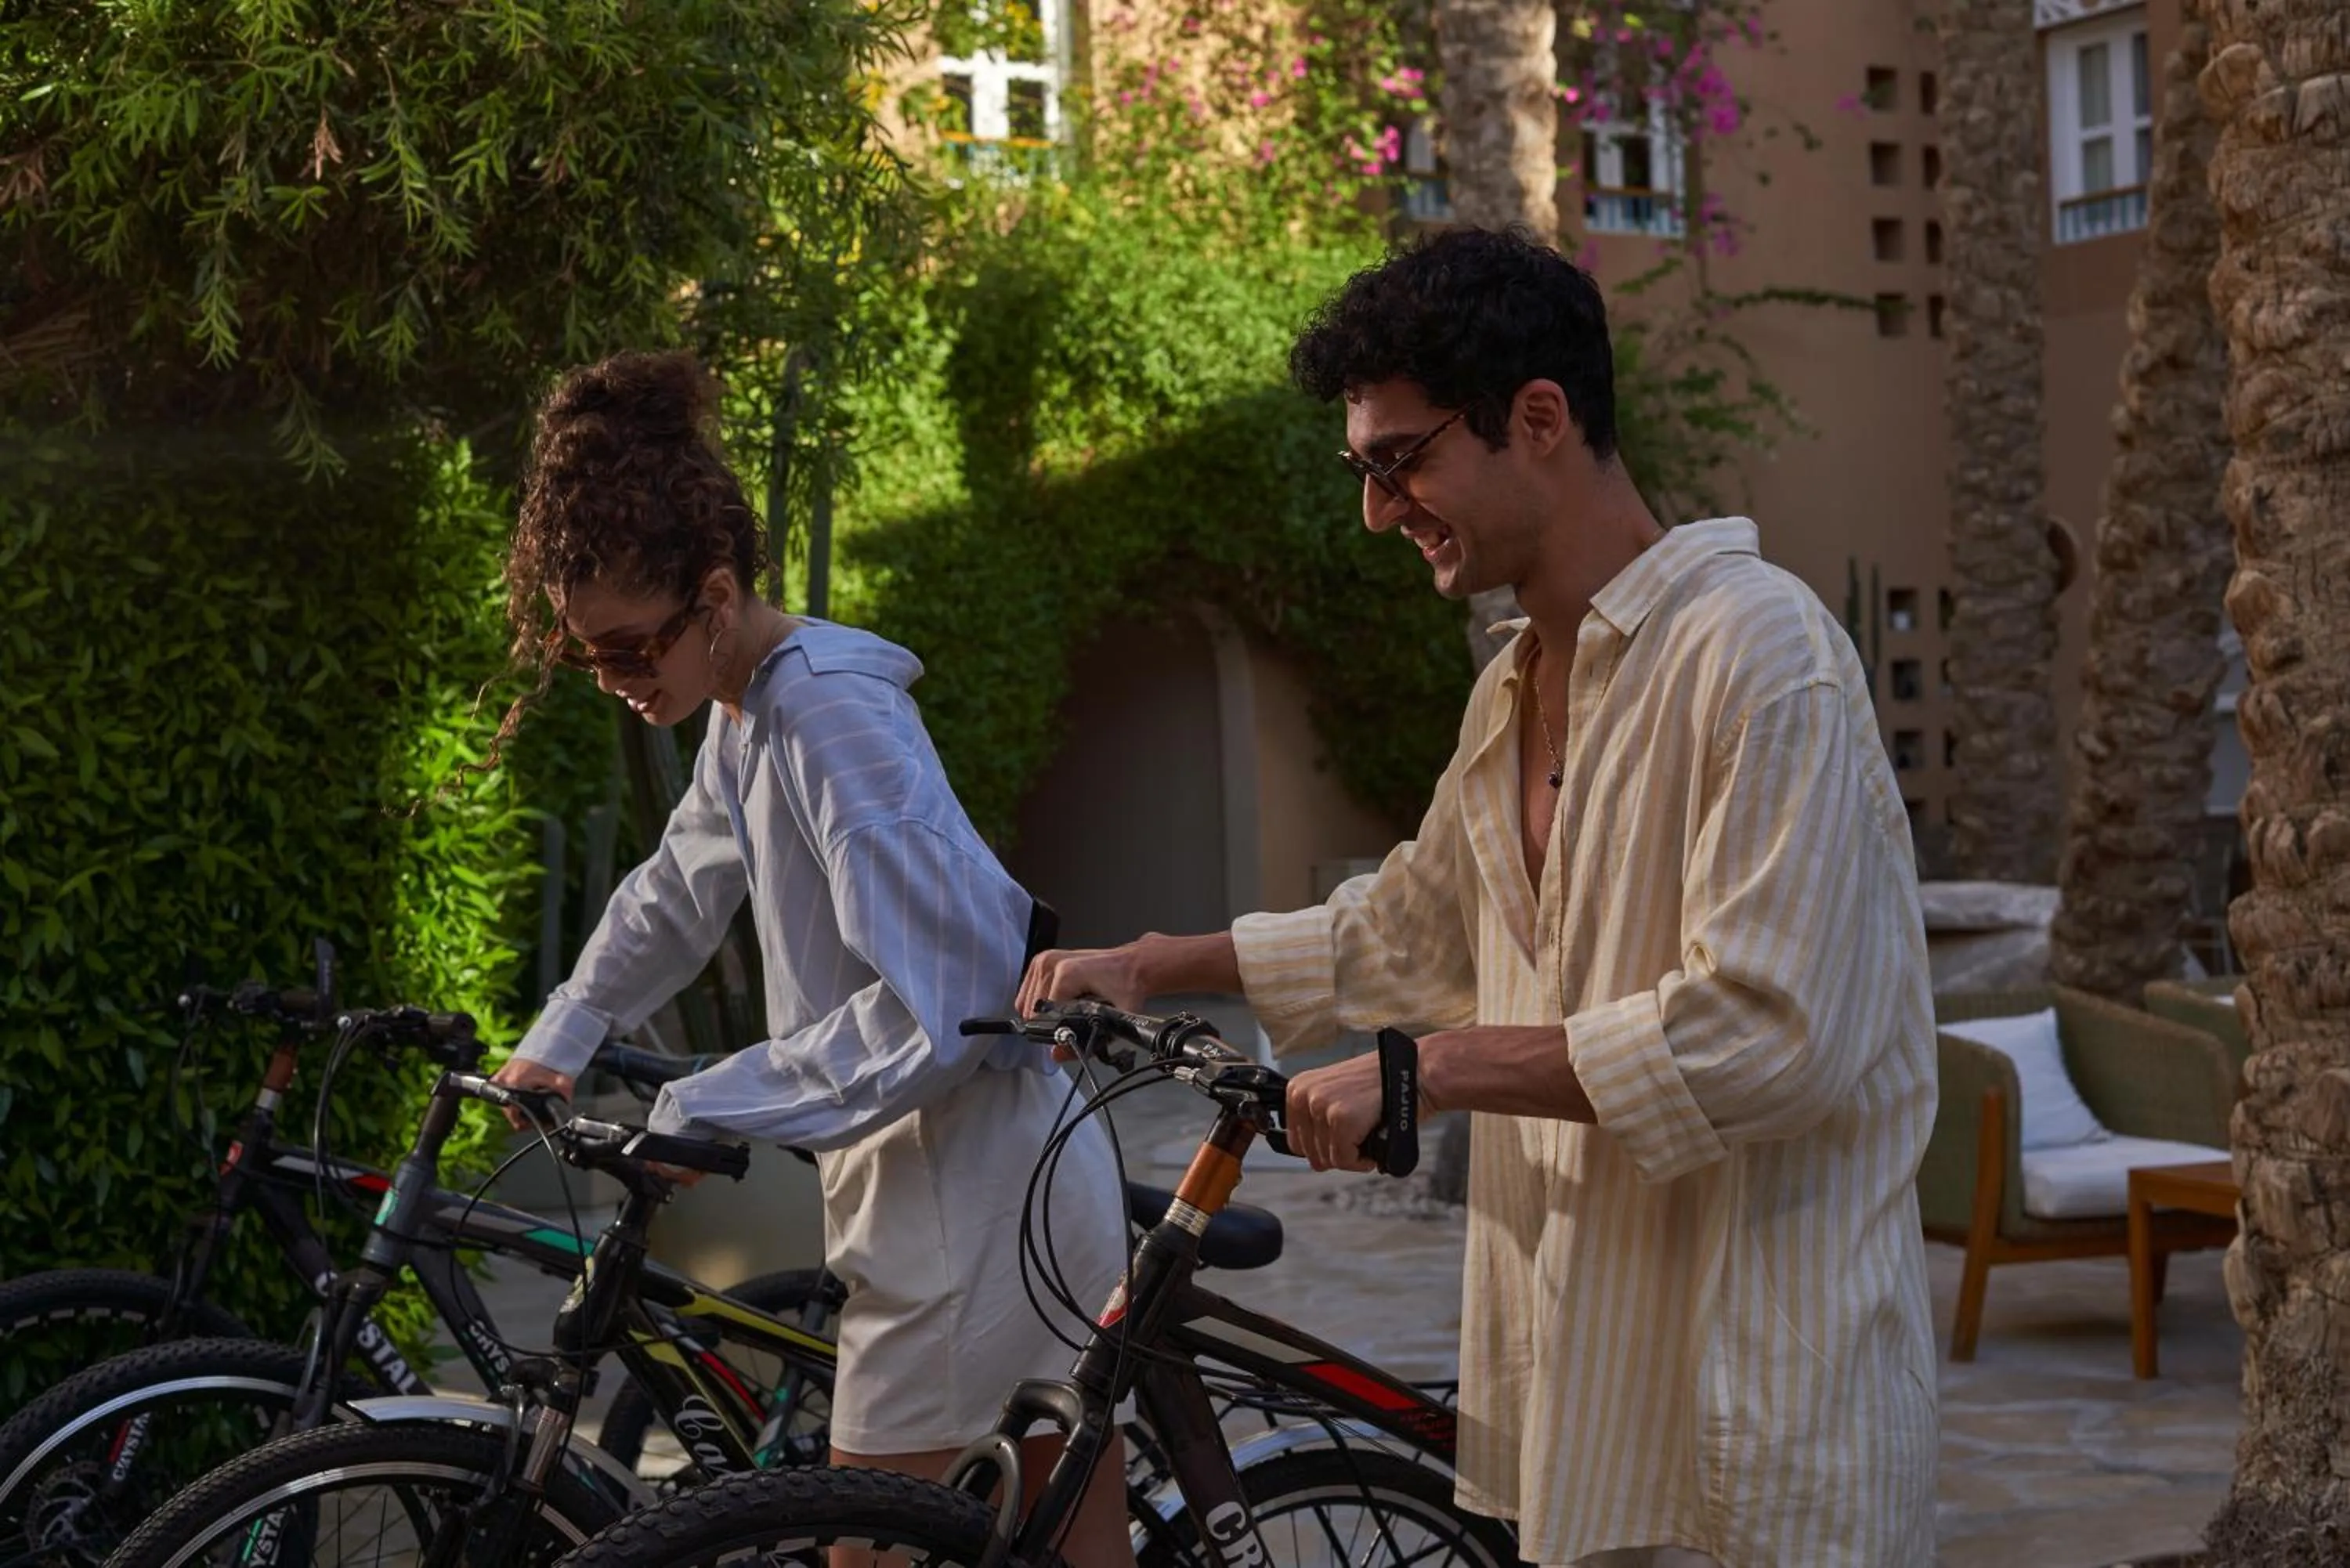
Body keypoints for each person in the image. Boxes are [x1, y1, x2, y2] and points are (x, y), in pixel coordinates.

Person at [1021, 226, 1939, 1567]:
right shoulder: (1512, 688)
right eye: (1365, 471)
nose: (1379, 511)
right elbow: (1418, 924)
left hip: (1757, 1420)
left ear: (1542, 417)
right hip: (1576, 1403)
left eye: (1401, 461)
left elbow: (1773, 1035)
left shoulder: (1764, 653)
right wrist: (1158, 959)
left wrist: (1430, 1067)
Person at [487, 349, 1133, 1568]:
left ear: (716, 592)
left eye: (632, 647)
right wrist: (558, 1038)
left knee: (866, 1548)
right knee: (1071, 1544)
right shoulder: (751, 710)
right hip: (979, 1182)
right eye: (592, 658)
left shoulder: (828, 713)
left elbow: (945, 1009)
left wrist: (696, 1105)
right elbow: (678, 889)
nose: (618, 682)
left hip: (970, 1201)